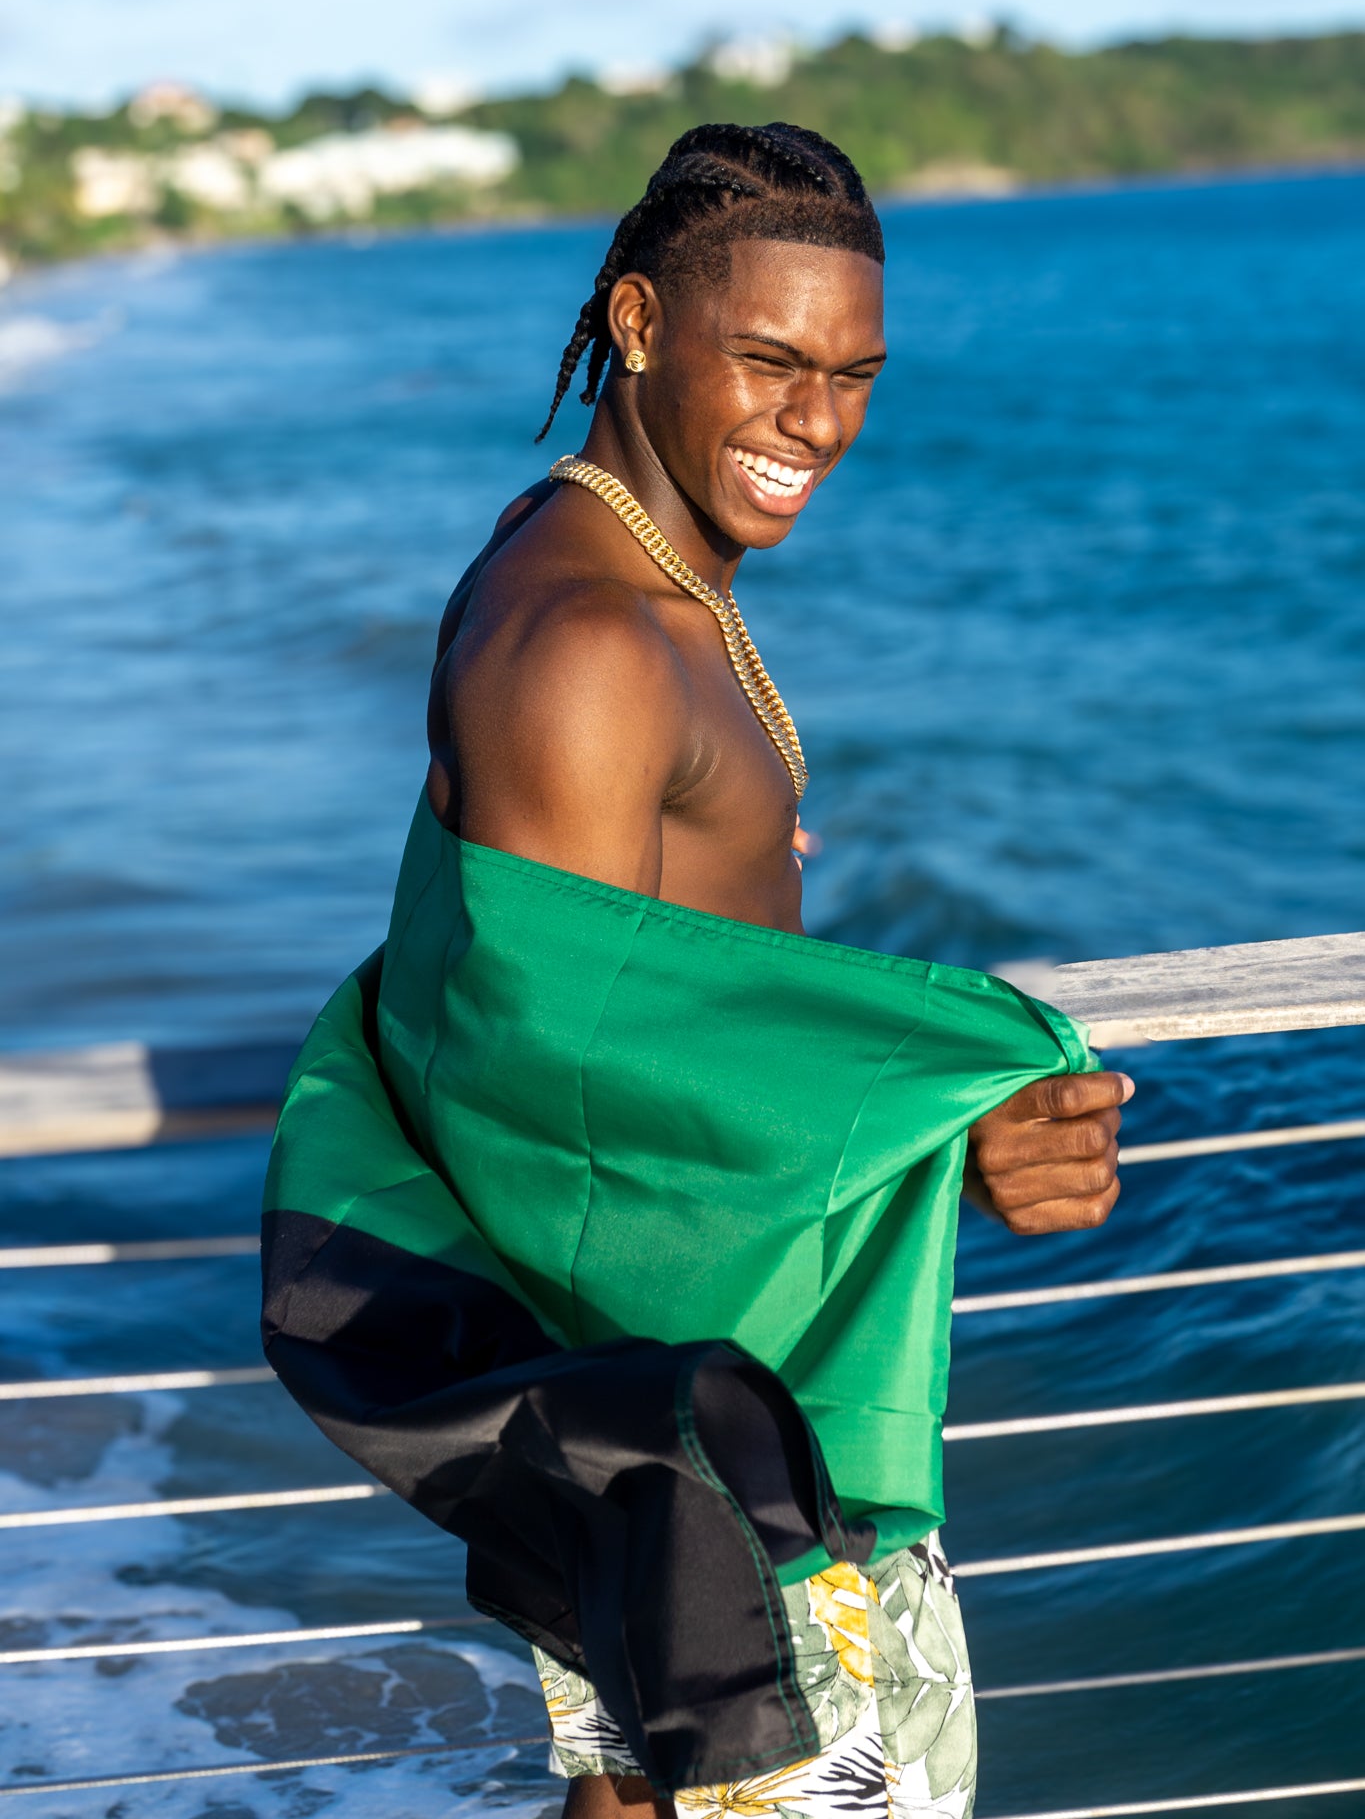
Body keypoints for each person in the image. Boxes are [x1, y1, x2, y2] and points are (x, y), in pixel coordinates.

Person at [262, 122, 1127, 1819]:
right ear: (641, 323)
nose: (816, 423)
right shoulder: (592, 645)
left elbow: (613, 998)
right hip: (692, 1438)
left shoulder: (625, 573)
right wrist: (945, 1102)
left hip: (703, 1420)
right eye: (770, 364)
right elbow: (563, 1097)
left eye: (853, 376)